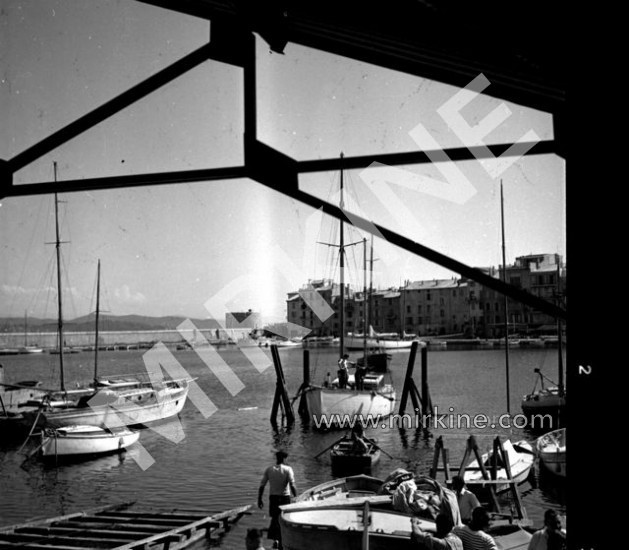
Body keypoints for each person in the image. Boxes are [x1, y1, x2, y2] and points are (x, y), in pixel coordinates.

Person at [258, 451, 297, 550]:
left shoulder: (270, 469)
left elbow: (262, 485)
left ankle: (276, 540)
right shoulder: (288, 469)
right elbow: (292, 485)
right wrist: (296, 498)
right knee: (283, 520)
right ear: (284, 458)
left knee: (275, 519)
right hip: (285, 498)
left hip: (273, 498)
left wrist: (260, 499)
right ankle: (282, 542)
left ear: (277, 458)